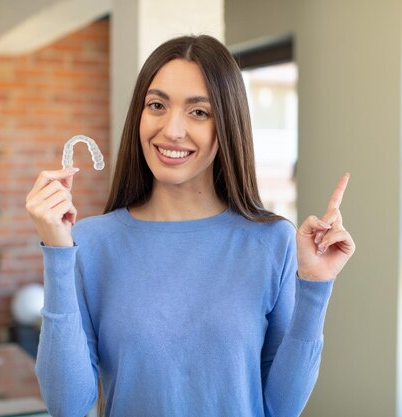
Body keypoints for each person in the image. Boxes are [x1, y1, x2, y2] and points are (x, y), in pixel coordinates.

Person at [26, 34, 355, 417]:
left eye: (199, 112)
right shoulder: (91, 243)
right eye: (157, 105)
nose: (172, 130)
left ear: (226, 124)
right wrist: (57, 254)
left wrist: (315, 288)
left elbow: (281, 408)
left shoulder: (271, 241)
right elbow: (66, 406)